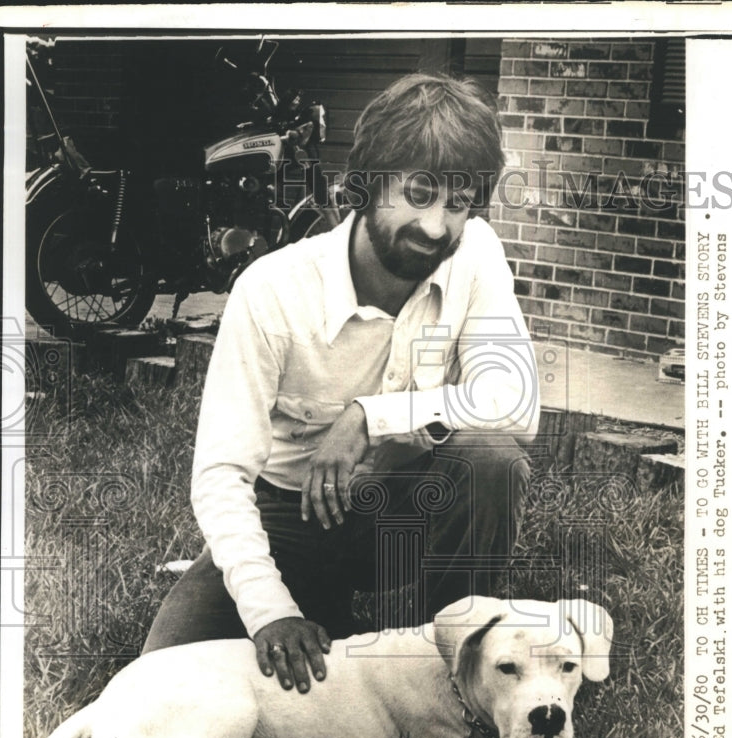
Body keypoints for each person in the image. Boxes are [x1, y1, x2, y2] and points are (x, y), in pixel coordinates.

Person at [143, 72, 540, 694]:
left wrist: (370, 415)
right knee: (163, 677)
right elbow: (221, 474)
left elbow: (514, 404)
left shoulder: (476, 253)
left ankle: (450, 668)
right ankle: (315, 607)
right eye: (418, 193)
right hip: (291, 516)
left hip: (405, 515)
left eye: (458, 203)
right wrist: (270, 610)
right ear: (367, 184)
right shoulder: (272, 289)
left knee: (489, 456)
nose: (436, 226)